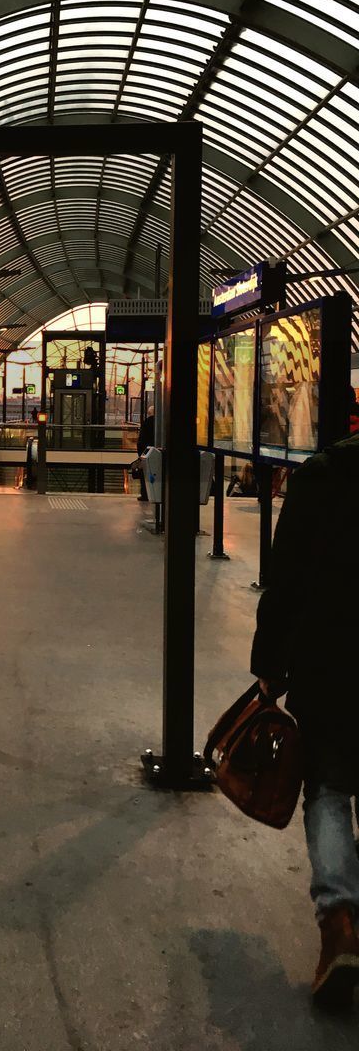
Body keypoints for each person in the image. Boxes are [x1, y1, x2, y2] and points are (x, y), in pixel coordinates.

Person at [251, 425, 359, 1006]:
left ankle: (339, 920)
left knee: (328, 788)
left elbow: (286, 578)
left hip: (330, 662)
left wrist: (271, 663)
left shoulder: (322, 475)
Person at [135, 408, 155, 501]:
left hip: (146, 452)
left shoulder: (146, 423)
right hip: (156, 452)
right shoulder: (161, 422)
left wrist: (140, 454)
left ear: (149, 413)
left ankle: (145, 494)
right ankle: (155, 493)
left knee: (144, 475)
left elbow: (141, 441)